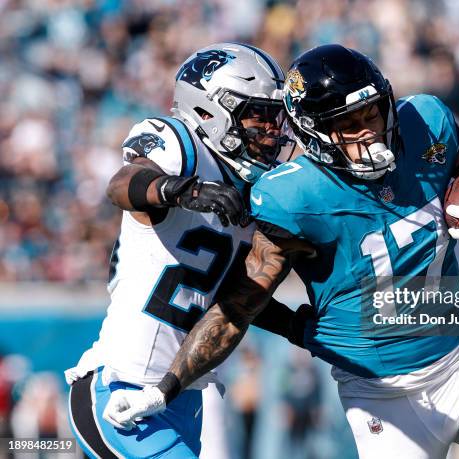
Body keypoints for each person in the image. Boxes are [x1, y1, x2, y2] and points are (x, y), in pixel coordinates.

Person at [104, 44, 459, 458]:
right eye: (350, 124)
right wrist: (166, 387)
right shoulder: (290, 196)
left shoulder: (424, 125)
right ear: (313, 135)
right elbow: (239, 306)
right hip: (381, 395)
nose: (369, 131)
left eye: (373, 113)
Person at [65, 42, 300, 459]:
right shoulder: (182, 148)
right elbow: (124, 184)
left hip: (181, 397)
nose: (271, 129)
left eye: (275, 116)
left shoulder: (255, 190)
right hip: (121, 389)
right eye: (257, 113)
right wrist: (180, 189)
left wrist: (301, 327)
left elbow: (234, 295)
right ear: (211, 109)